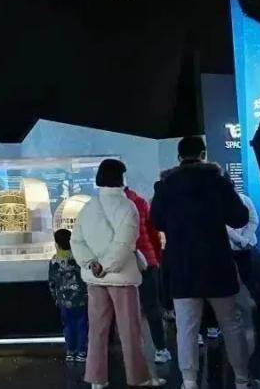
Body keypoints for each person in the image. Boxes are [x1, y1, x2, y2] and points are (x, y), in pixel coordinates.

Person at [150, 137, 254, 389]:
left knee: (186, 328)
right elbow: (240, 218)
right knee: (231, 324)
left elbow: (157, 221)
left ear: (179, 157)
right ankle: (242, 379)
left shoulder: (165, 186)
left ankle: (189, 381)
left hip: (182, 266)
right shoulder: (218, 182)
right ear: (203, 154)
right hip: (217, 264)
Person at [71, 159, 160, 389]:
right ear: (121, 178)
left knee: (97, 331)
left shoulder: (88, 208)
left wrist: (92, 264)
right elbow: (125, 243)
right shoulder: (127, 207)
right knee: (130, 331)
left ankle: (97, 379)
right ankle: (138, 377)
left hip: (94, 279)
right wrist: (107, 265)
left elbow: (76, 241)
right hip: (122, 279)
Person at [124, 183, 171, 364]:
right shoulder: (140, 202)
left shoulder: (105, 206)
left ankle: (133, 354)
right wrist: (157, 256)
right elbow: (152, 232)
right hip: (147, 260)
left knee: (127, 310)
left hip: (122, 264)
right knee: (152, 307)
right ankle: (160, 349)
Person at [48, 229, 89, 362]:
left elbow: (52, 282)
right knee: (82, 325)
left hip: (64, 300)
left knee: (68, 326)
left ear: (57, 244)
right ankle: (82, 352)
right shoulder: (78, 258)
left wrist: (55, 297)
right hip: (81, 298)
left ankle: (70, 352)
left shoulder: (55, 261)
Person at [228, 192, 259, 355]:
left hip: (245, 247)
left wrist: (244, 239)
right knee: (231, 281)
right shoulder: (218, 200)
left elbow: (253, 220)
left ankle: (258, 308)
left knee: (250, 279)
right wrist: (240, 240)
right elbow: (223, 226)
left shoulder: (245, 199)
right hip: (230, 247)